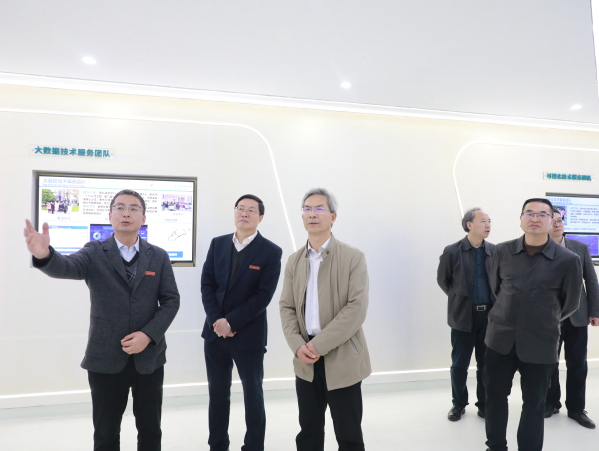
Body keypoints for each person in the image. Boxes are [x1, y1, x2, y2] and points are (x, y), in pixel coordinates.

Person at [24, 189, 180, 451]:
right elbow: (67, 266)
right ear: (110, 216)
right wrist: (44, 255)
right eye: (120, 207)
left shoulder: (159, 256)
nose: (126, 213)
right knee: (106, 433)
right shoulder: (94, 251)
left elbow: (171, 301)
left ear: (143, 218)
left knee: (151, 430)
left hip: (149, 358)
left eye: (133, 208)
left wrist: (148, 335)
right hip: (105, 357)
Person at [484, 198, 582, 451]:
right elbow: (496, 289)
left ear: (552, 221)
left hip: (541, 342)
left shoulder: (568, 259)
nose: (535, 218)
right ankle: (495, 446)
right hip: (500, 339)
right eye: (529, 213)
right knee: (494, 397)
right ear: (521, 219)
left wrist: (543, 319)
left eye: (542, 214)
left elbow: (570, 304)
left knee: (534, 404)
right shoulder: (502, 251)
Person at [279, 188, 370, 451]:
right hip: (305, 359)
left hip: (342, 357)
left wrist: (318, 345)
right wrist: (298, 346)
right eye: (307, 209)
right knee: (308, 433)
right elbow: (286, 307)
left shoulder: (353, 257)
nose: (312, 214)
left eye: (319, 208)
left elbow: (356, 309)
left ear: (333, 216)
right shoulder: (294, 261)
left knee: (349, 434)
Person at [200, 194, 282, 451]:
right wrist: (217, 320)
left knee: (253, 394)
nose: (244, 213)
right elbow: (207, 285)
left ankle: (253, 446)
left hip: (248, 336)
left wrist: (232, 322)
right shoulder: (218, 244)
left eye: (251, 210)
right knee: (217, 394)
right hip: (215, 334)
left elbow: (263, 296)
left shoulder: (271, 251)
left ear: (261, 217)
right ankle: (217, 445)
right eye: (240, 208)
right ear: (235, 212)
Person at [437, 208, 495, 421]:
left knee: (486, 364)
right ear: (469, 225)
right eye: (483, 221)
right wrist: (459, 299)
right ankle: (458, 404)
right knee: (459, 364)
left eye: (489, 221)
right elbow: (443, 280)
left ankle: (484, 404)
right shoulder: (452, 251)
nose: (488, 225)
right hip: (463, 316)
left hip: (489, 317)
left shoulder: (494, 251)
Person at [544, 208, 599, 428]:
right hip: (549, 316)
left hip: (577, 315)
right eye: (553, 221)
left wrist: (595, 311)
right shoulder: (540, 248)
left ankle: (576, 408)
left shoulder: (580, 248)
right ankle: (551, 403)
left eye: (560, 220)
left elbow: (591, 281)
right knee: (549, 363)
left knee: (578, 364)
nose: (558, 224)